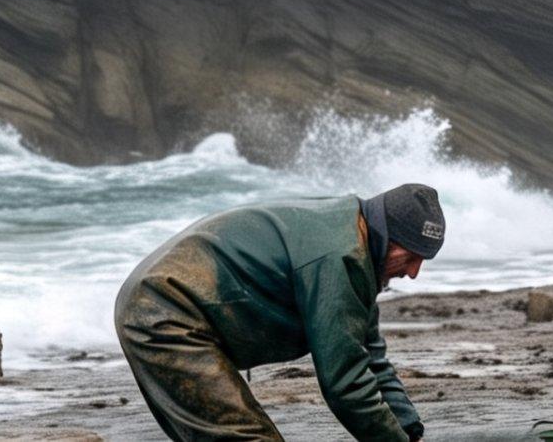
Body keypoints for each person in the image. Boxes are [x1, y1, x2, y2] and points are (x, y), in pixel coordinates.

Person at [114, 183, 446, 441]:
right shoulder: (340, 256)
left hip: (167, 303)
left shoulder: (358, 243)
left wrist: (410, 428)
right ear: (388, 236)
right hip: (164, 311)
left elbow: (371, 355)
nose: (414, 272)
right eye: (411, 256)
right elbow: (345, 384)